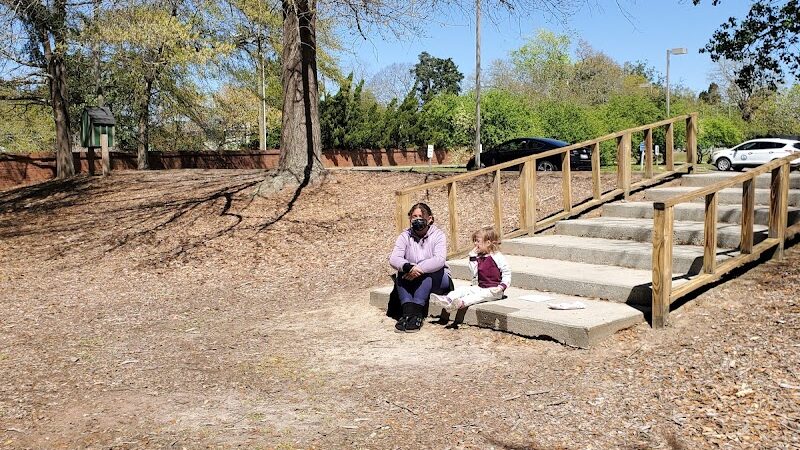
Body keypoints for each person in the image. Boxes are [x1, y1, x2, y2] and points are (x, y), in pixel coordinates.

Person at [389, 202, 451, 333]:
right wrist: (408, 267)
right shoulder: (404, 236)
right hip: (411, 277)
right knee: (400, 272)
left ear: (430, 219)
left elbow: (439, 260)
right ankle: (406, 314)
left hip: (438, 279)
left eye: (421, 216)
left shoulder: (438, 235)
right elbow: (394, 259)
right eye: (414, 216)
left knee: (426, 273)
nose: (417, 219)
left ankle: (416, 314)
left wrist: (418, 268)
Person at [429, 226, 511, 313]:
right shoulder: (479, 257)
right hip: (481, 287)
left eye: (478, 241)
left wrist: (502, 286)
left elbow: (506, 272)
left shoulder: (497, 257)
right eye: (474, 241)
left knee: (478, 296)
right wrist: (472, 258)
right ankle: (448, 299)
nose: (475, 243)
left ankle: (461, 303)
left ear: (488, 243)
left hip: (494, 290)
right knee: (463, 289)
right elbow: (474, 273)